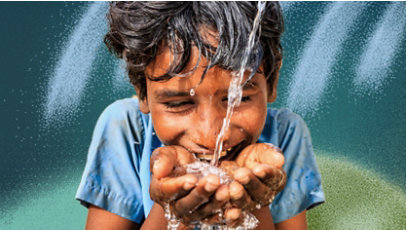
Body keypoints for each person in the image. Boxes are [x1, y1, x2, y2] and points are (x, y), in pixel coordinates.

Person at [76, 2, 325, 229]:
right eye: (179, 104)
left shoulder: (285, 137)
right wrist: (171, 211)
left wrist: (254, 203)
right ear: (142, 91)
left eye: (237, 99)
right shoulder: (126, 129)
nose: (211, 135)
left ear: (270, 82)